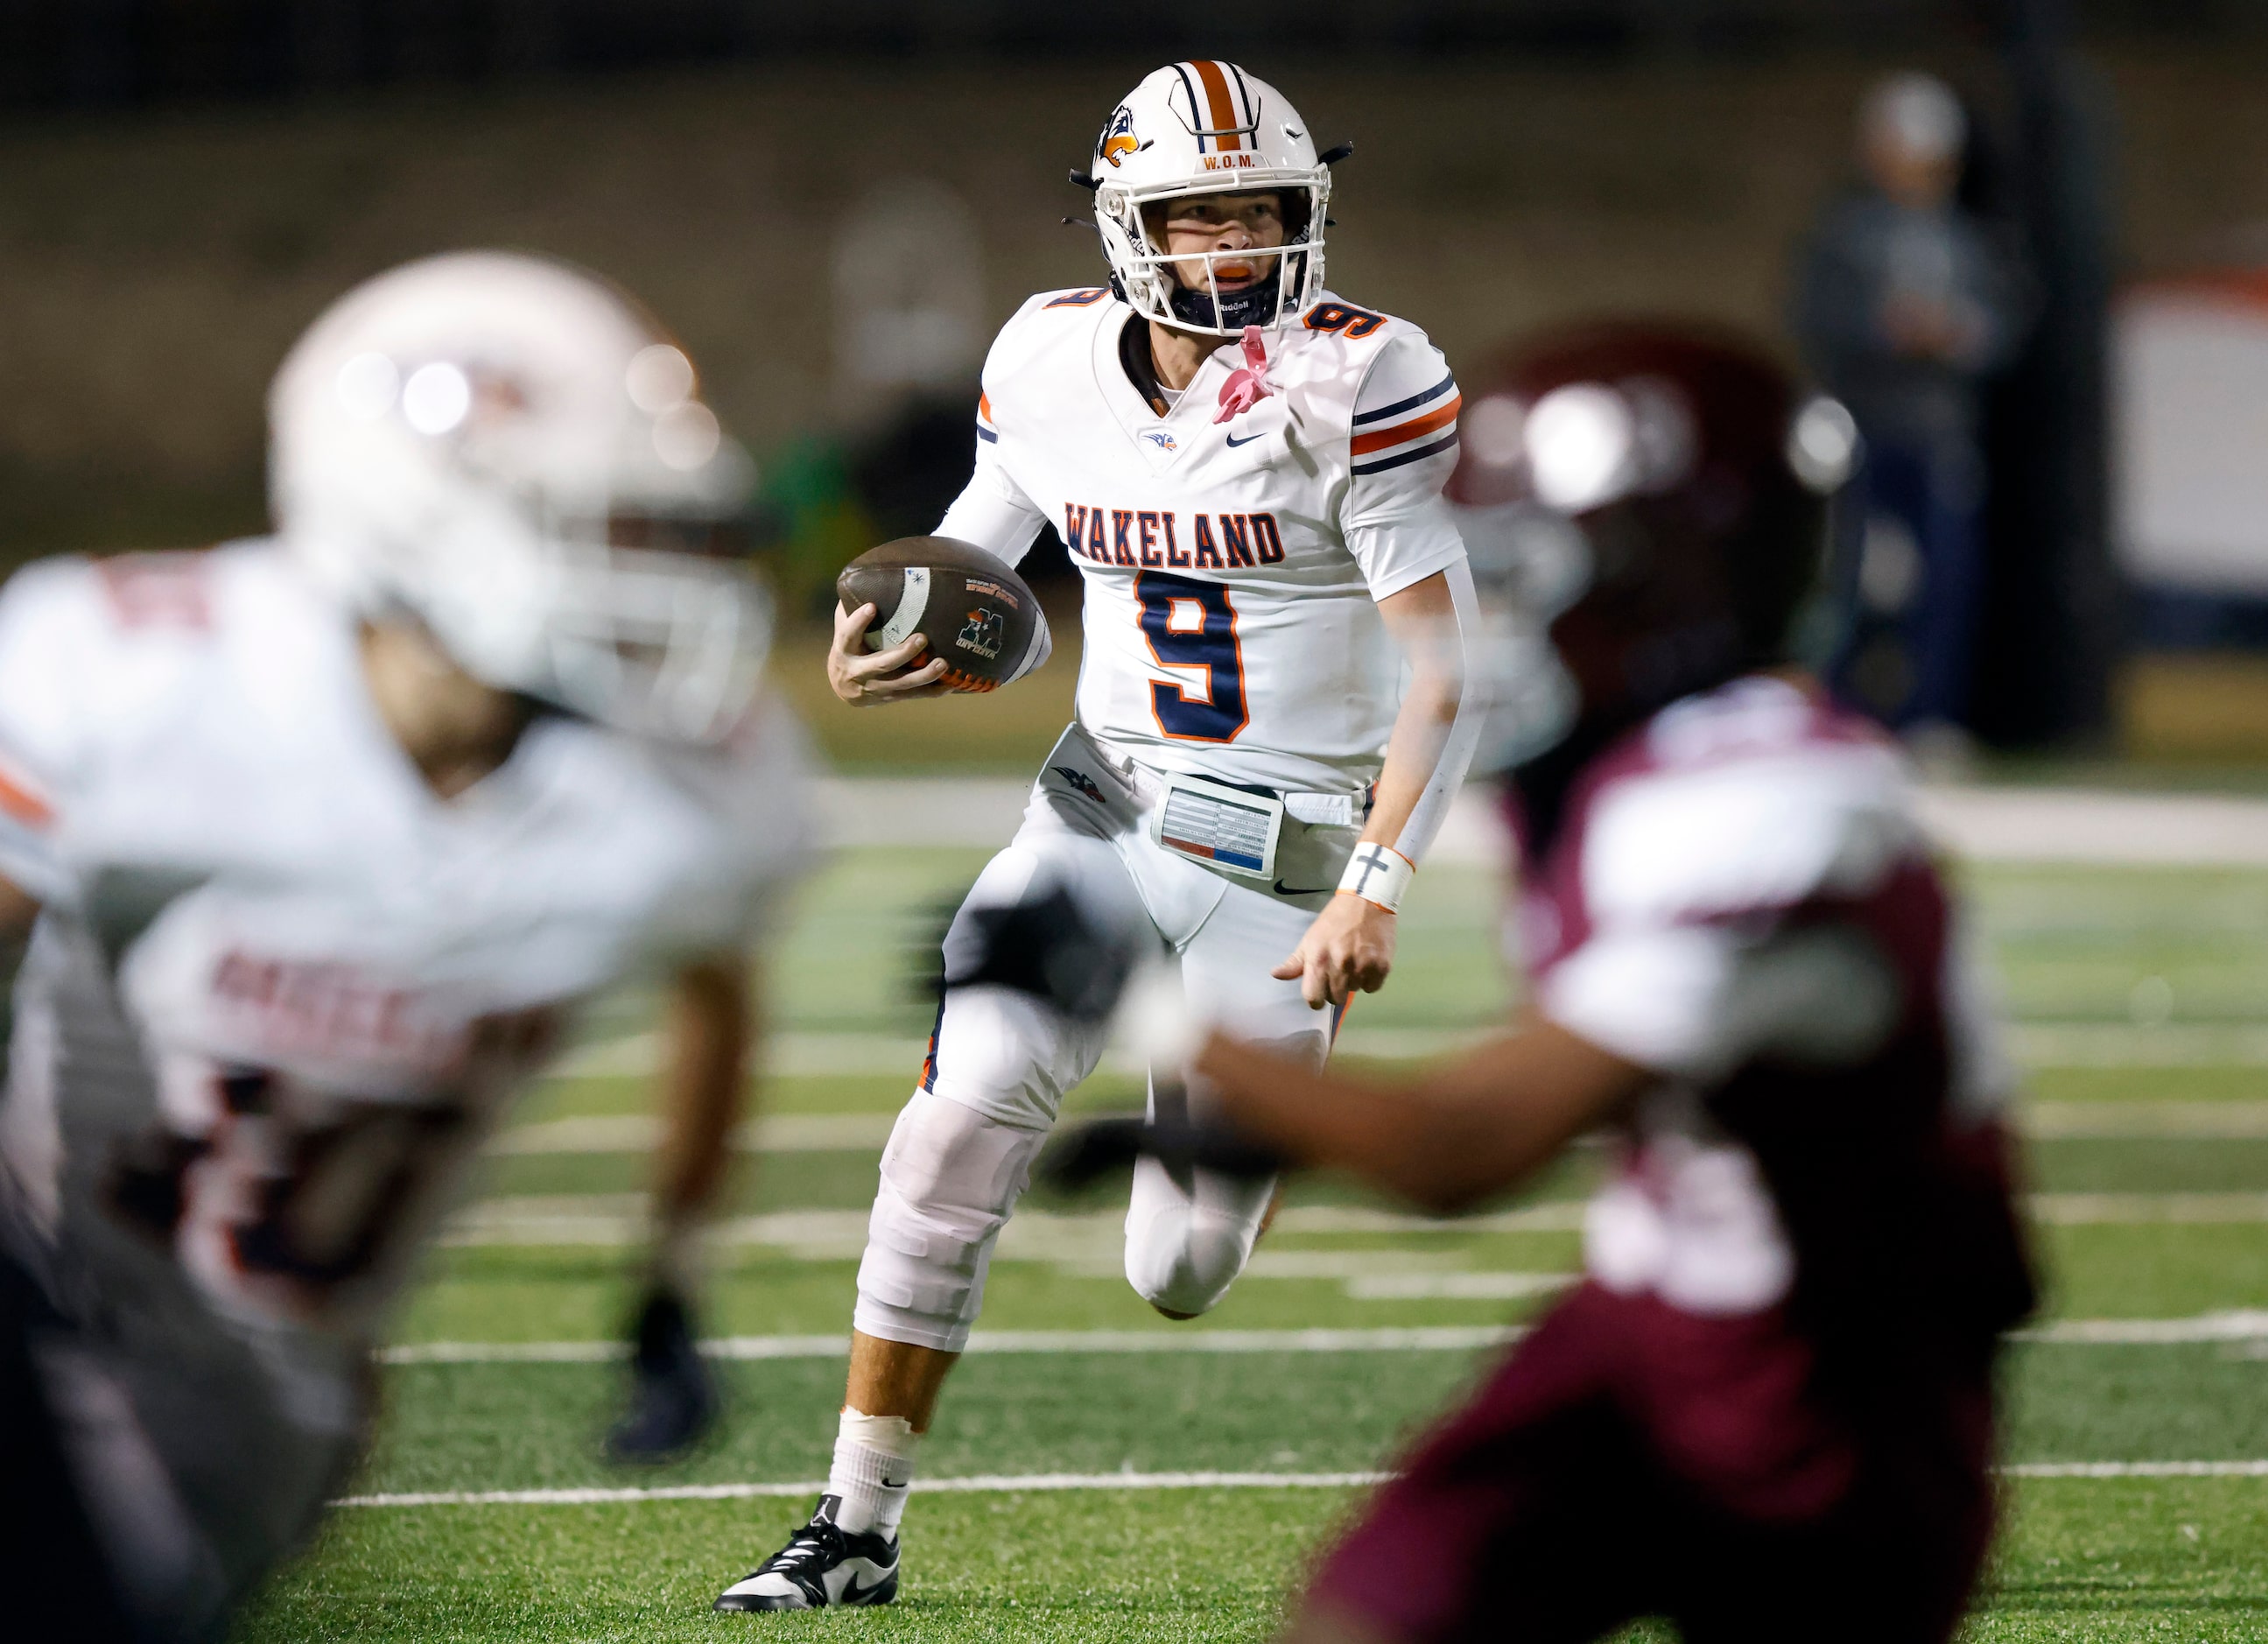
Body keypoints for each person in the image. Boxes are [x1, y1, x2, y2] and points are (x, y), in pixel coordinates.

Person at [1044, 323, 2037, 1643]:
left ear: (1660, 576)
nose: (1489, 629)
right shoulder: (1627, 772)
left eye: (1529, 576)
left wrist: (1147, 1006)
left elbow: (1464, 1148)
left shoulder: (1770, 808)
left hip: (1832, 1395)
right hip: (1643, 1328)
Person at [712, 59, 1482, 1613]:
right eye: (1201, 220)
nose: (1237, 247)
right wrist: (894, 621)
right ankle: (853, 1521)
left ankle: (1168, 1036)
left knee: (1178, 1272)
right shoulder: (1047, 355)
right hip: (1099, 810)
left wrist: (1381, 884)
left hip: (1284, 869)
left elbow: (1451, 667)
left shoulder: (1366, 378)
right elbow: (981, 533)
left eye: (1263, 212)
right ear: (1132, 227)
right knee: (947, 1133)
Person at [0, 251, 814, 1639]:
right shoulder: (138, 678)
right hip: (56, 1316)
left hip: (261, 1411)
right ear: (411, 513)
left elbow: (717, 983)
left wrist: (670, 1267)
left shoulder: (685, 800)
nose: (644, 566)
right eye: (591, 522)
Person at [1794, 72, 2026, 744]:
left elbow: (2004, 328)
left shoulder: (1967, 243)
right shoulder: (1845, 234)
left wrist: (1956, 335)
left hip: (1937, 431)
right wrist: (1884, 329)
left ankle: (1929, 715)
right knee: (1842, 579)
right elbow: (1815, 318)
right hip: (1861, 426)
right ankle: (1829, 711)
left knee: (1946, 576)